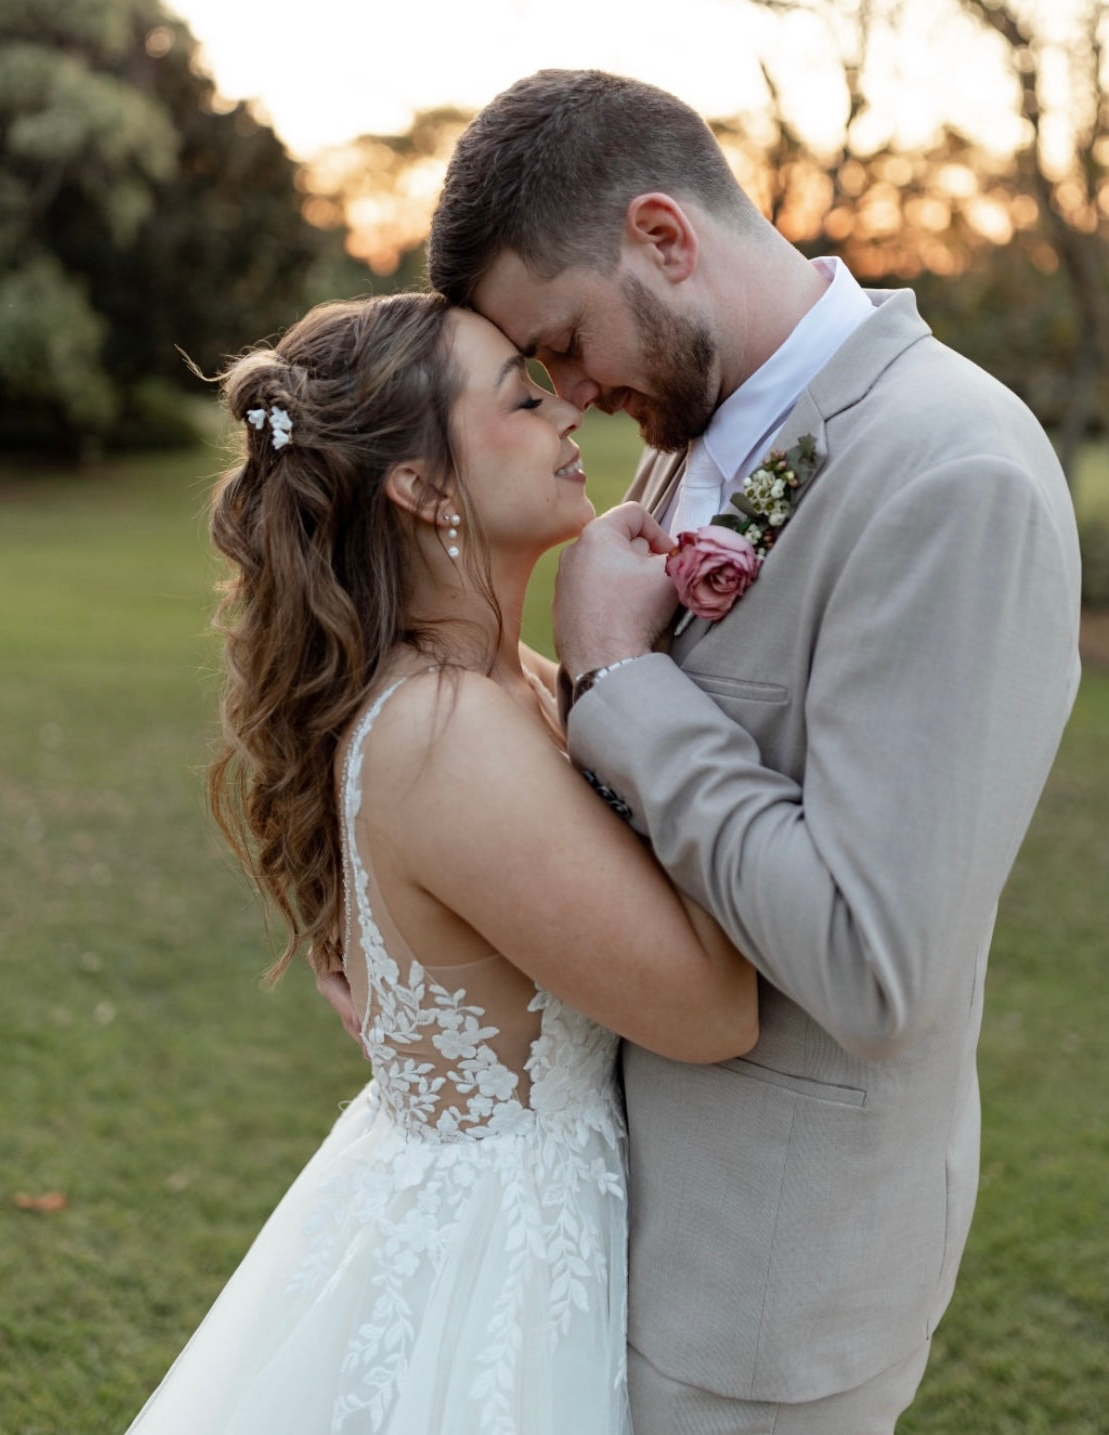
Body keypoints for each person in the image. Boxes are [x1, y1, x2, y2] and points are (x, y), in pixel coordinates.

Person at [422, 69, 1083, 1435]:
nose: (571, 393)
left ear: (663, 237)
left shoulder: (950, 468)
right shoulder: (697, 429)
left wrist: (619, 677)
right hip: (599, 1224)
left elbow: (871, 960)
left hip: (763, 1285)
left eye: (563, 339)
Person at [122, 291, 758, 1435]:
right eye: (521, 394)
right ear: (417, 488)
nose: (568, 405)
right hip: (496, 1274)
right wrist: (615, 659)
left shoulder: (501, 677)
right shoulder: (445, 732)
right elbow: (713, 1010)